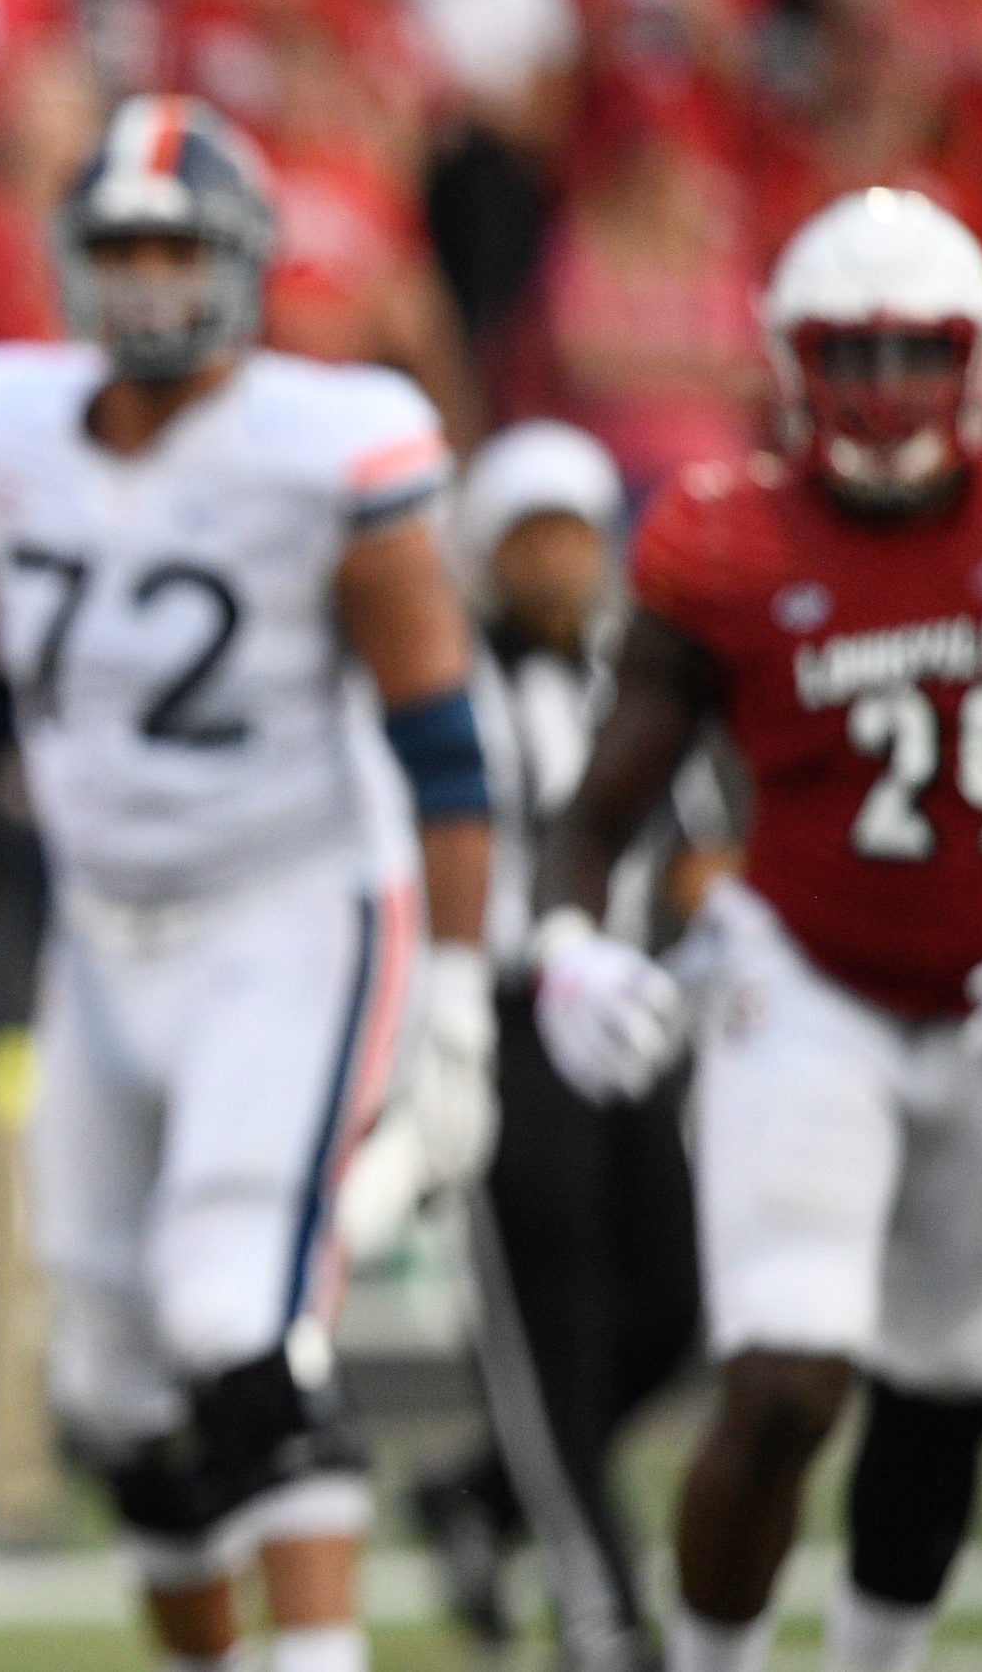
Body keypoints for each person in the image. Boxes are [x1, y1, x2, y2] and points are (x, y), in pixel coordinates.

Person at [0, 94, 499, 1672]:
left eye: (175, 246)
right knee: (112, 1386)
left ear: (241, 263)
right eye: (119, 247)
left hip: (290, 911)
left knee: (235, 1311)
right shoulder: (0, 426)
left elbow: (441, 739)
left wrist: (469, 982)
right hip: (105, 930)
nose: (148, 280)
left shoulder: (329, 443)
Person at [532, 188, 982, 1672]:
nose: (886, 389)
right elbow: (595, 809)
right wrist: (567, 943)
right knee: (779, 1383)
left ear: (981, 358)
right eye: (854, 351)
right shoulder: (727, 534)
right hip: (812, 980)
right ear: (788, 359)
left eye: (919, 352)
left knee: (950, 1396)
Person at [412, 421, 701, 1672]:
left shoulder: (623, 669)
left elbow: (691, 837)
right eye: (531, 536)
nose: (557, 562)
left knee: (680, 1304)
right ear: (484, 548)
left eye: (576, 533)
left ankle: (476, 1495)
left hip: (627, 1023)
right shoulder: (443, 674)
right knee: (553, 1328)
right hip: (511, 1022)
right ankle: (600, 1612)